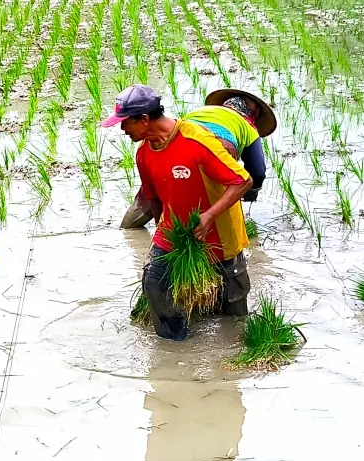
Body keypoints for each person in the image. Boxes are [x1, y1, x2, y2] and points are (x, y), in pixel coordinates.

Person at [102, 85, 253, 340]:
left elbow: (242, 181)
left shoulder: (197, 141)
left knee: (234, 308)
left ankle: (231, 359)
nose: (123, 129)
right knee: (154, 283)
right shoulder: (144, 154)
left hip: (218, 232)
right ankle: (175, 345)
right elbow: (153, 198)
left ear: (145, 119)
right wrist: (162, 233)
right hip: (174, 232)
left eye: (125, 123)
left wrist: (209, 216)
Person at [120, 89, 276, 229]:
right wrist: (251, 192)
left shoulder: (202, 111)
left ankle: (128, 227)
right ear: (251, 115)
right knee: (214, 198)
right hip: (220, 147)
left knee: (159, 189)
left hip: (181, 143)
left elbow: (175, 130)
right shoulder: (247, 126)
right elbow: (258, 171)